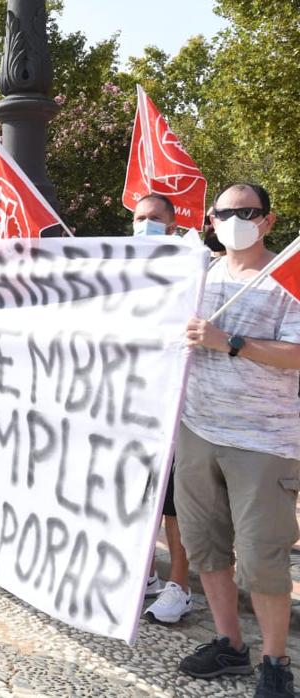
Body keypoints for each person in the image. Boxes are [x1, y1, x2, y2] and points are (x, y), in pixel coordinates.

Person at [177, 183, 297, 696]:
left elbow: (297, 354)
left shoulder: (288, 277)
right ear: (211, 220)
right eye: (225, 213)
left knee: (262, 556)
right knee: (206, 544)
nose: (236, 220)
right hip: (196, 429)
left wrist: (230, 342)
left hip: (262, 440)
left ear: (267, 221)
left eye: (247, 212)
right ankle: (230, 645)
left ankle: (275, 663)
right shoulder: (196, 274)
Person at [125, 194, 195, 623]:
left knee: (173, 506)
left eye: (154, 218)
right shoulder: (127, 268)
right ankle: (146, 572)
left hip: (176, 408)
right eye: (138, 218)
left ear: (172, 225)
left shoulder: (190, 267)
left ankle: (180, 586)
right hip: (135, 405)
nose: (145, 224)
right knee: (138, 496)